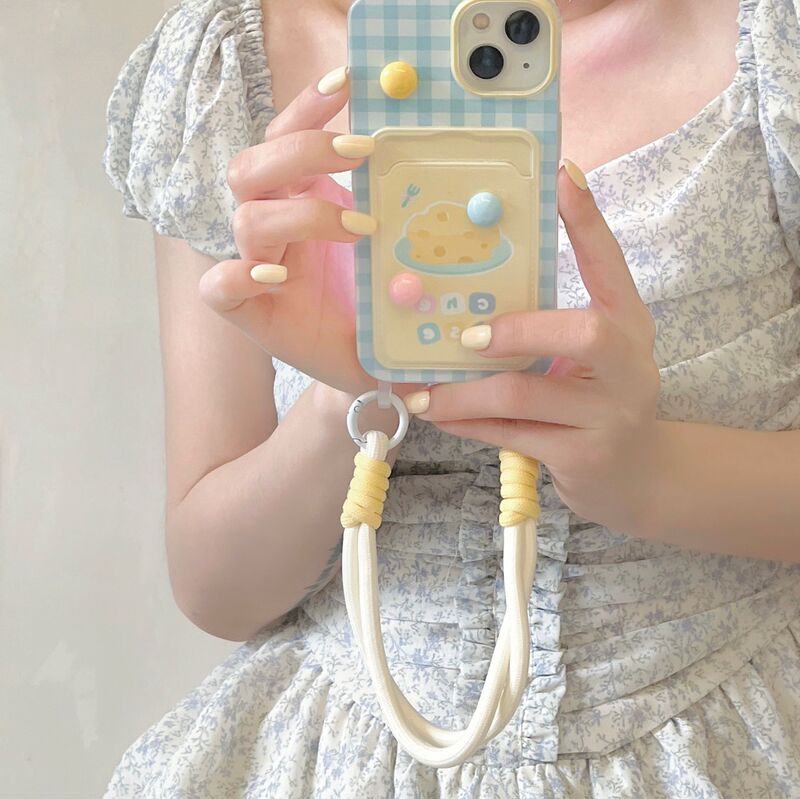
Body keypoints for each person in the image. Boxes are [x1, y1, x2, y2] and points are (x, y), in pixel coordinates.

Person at [101, 0, 800, 795]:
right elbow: (216, 588)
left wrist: (652, 472)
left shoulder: (773, 44)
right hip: (338, 758)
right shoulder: (230, 70)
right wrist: (351, 396)